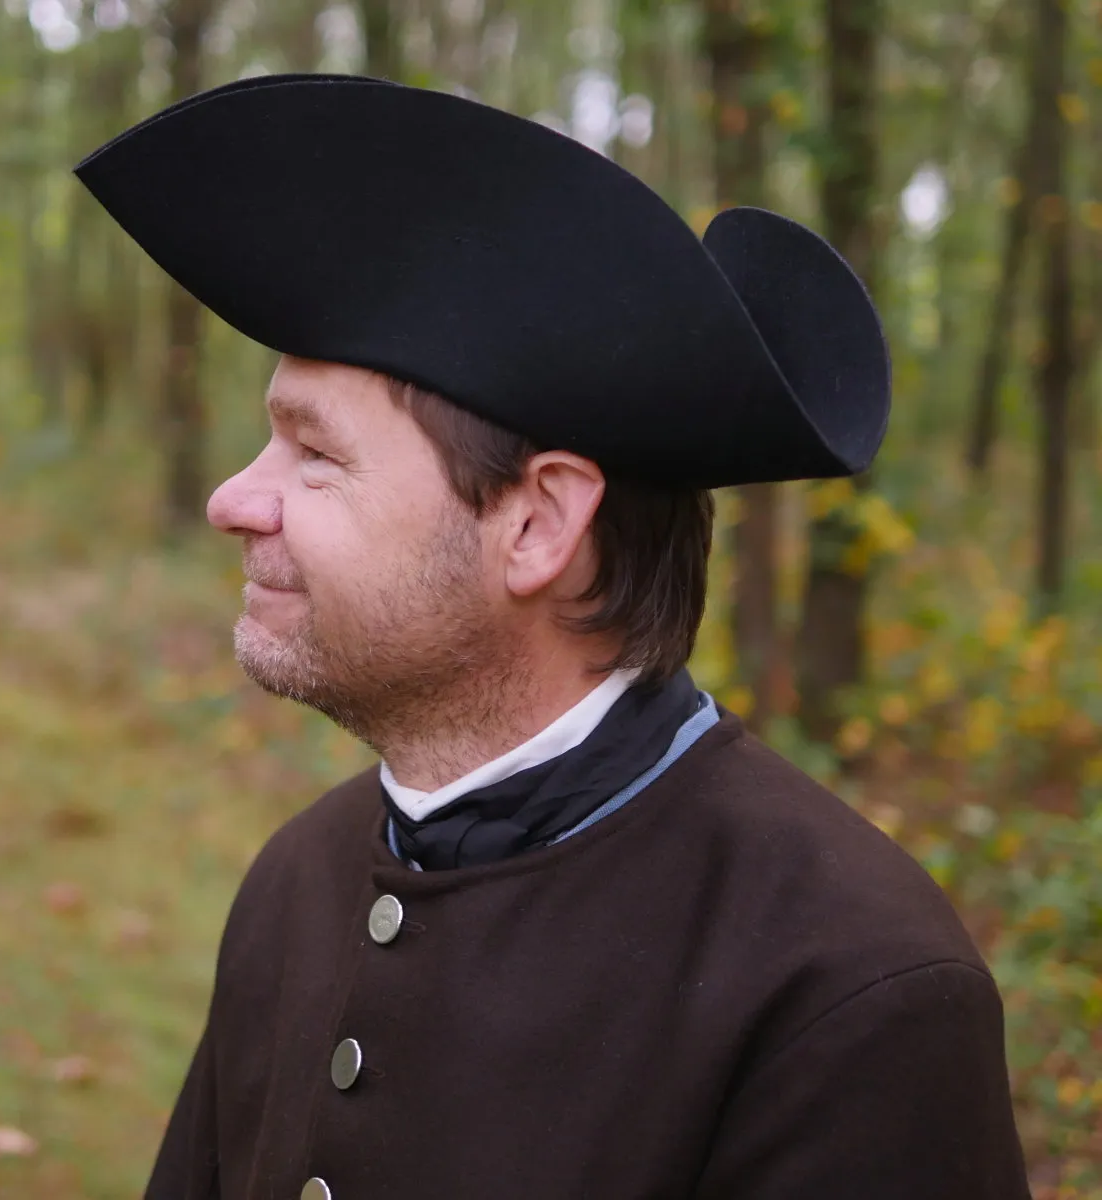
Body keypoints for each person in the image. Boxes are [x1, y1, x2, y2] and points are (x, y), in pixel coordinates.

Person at [76, 74, 1031, 1200]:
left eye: (315, 457)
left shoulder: (851, 987)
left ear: (536, 525)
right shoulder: (300, 877)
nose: (235, 500)